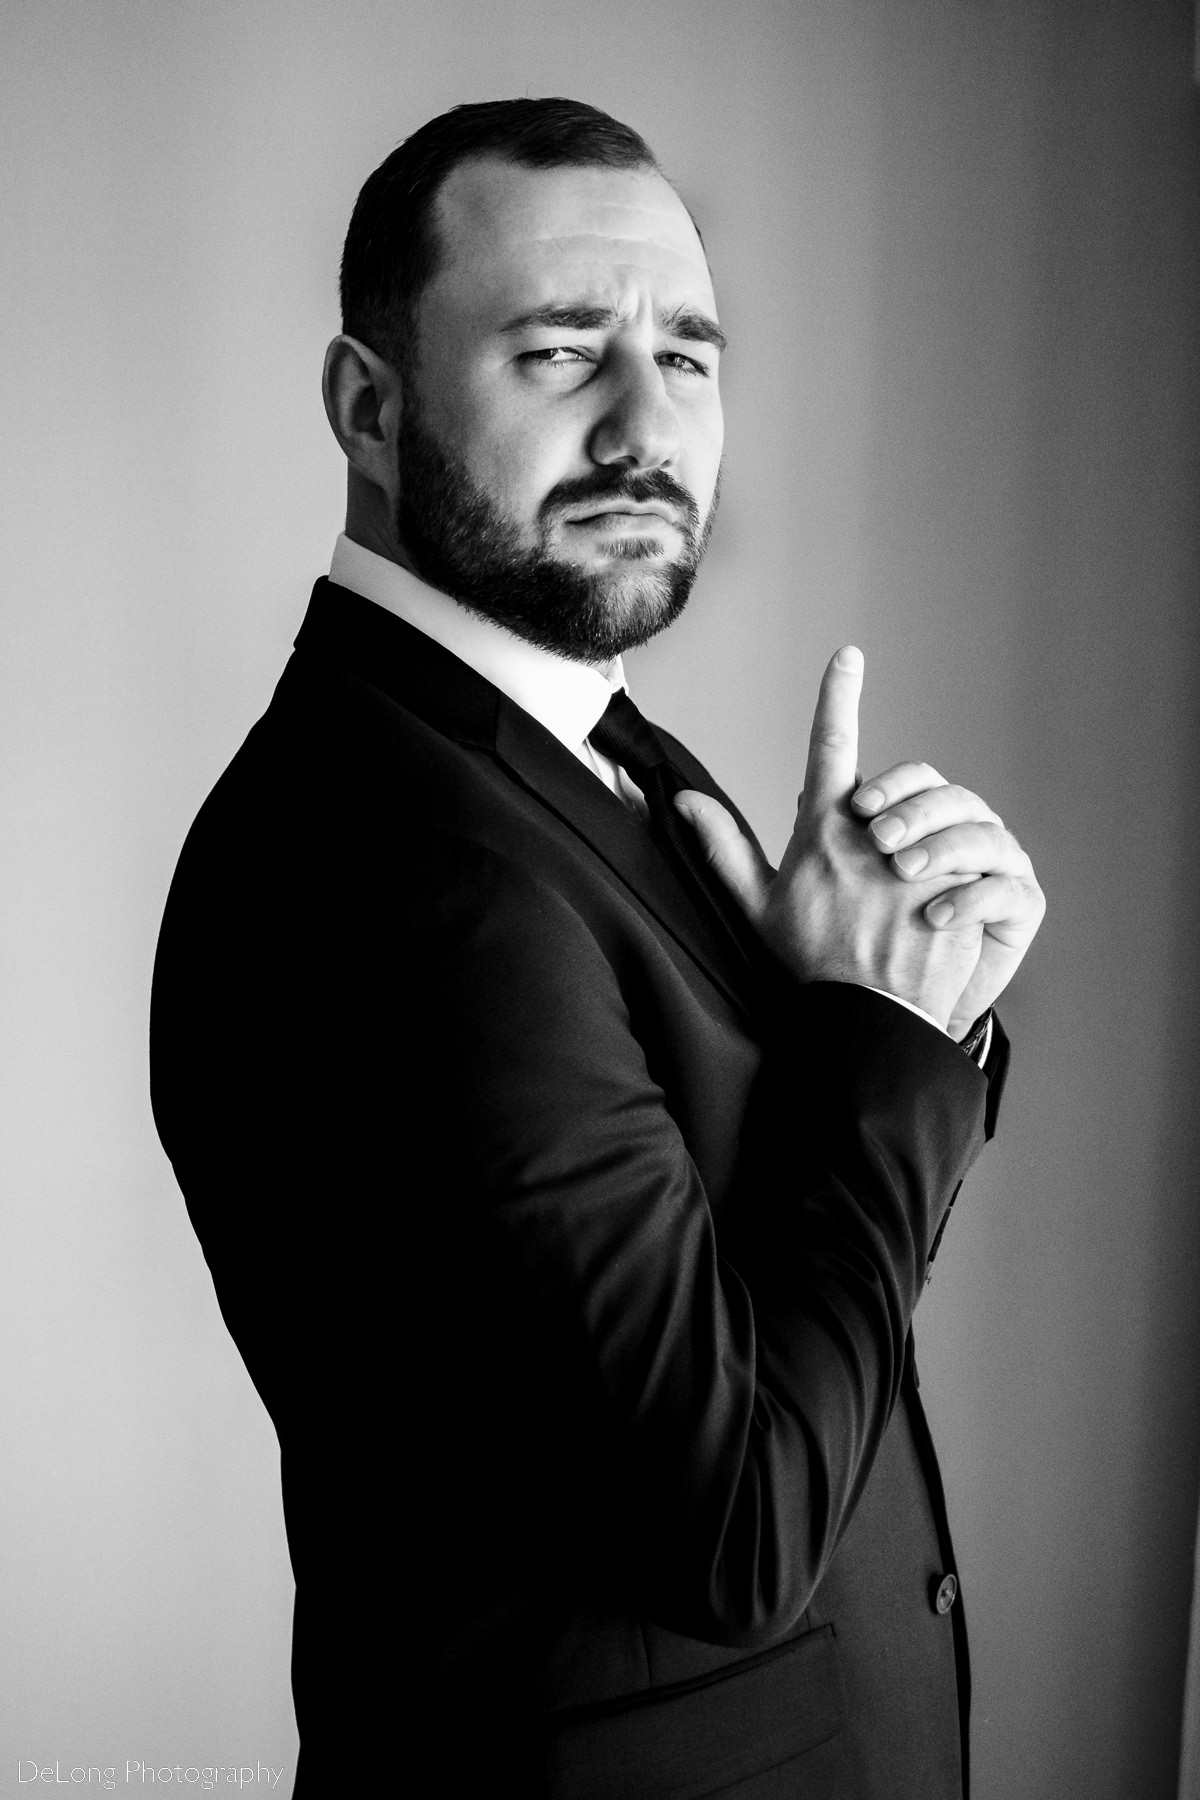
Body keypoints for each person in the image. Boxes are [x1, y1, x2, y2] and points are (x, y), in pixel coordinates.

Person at [150, 97, 1044, 1800]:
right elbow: (737, 1526)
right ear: (368, 404)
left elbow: (766, 1245)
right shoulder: (392, 863)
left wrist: (902, 1004)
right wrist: (874, 1036)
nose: (651, 427)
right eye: (565, 353)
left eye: (690, 358)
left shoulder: (582, 753)